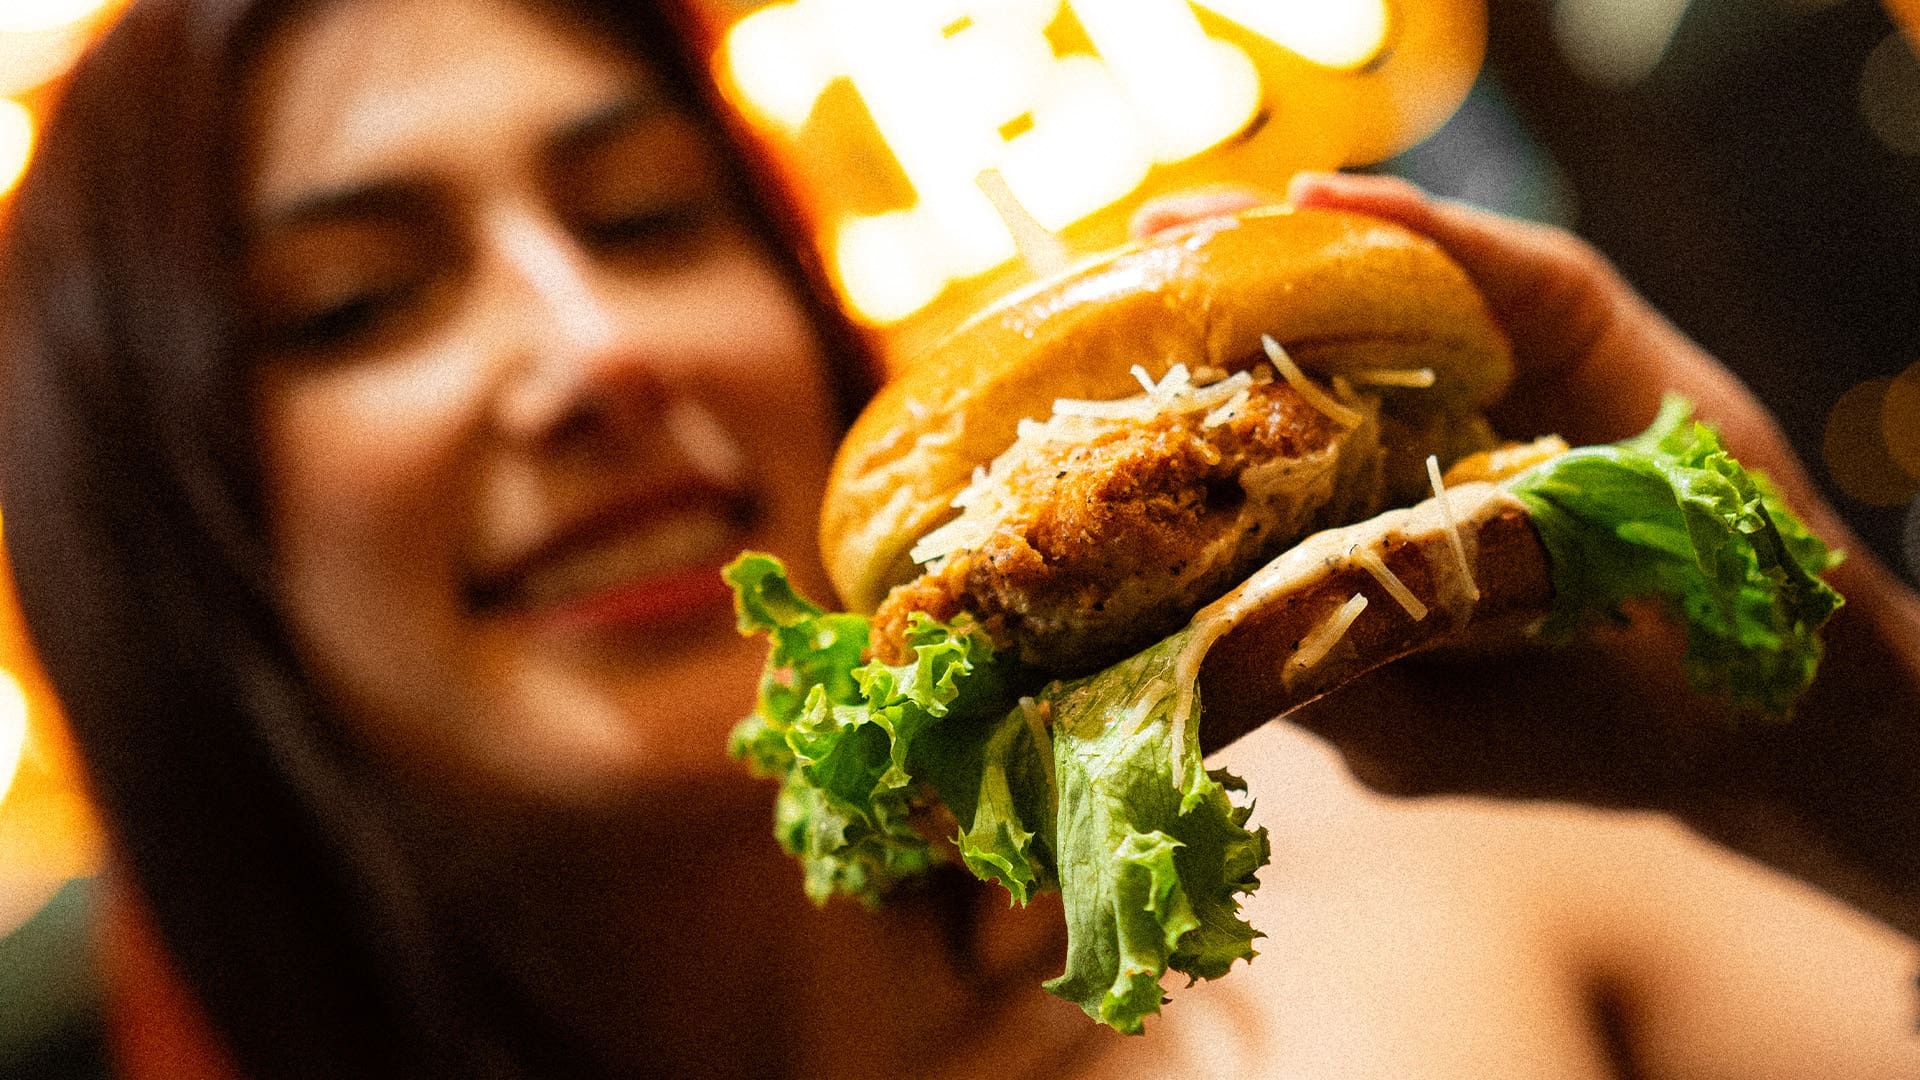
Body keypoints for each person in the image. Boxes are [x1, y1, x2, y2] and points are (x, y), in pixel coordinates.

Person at [1, 2, 1916, 1078]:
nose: (593, 354)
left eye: (653, 217)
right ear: (170, 561)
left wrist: (1849, 741)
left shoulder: (1420, 881)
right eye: (354, 303)